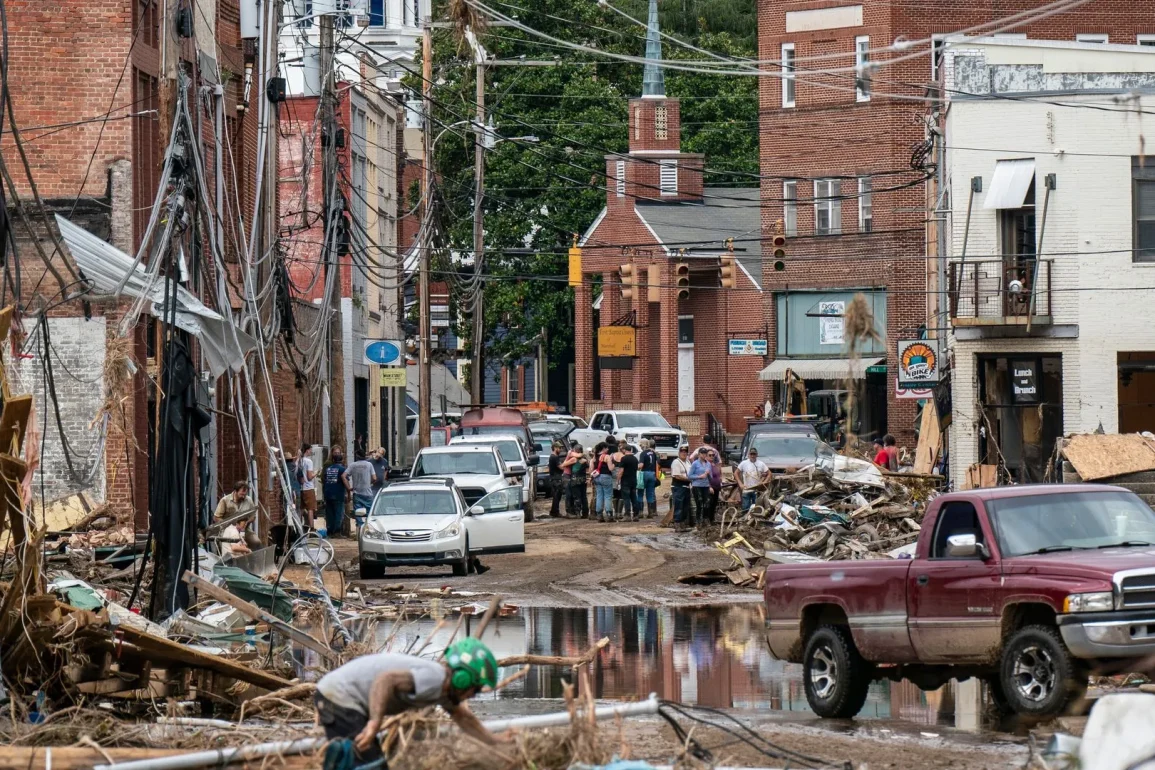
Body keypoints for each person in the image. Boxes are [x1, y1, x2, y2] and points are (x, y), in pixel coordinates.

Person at [315, 639, 506, 766]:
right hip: (340, 697)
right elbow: (385, 680)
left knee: (360, 759)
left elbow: (463, 718)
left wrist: (495, 741)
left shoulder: (444, 690)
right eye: (476, 689)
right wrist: (375, 723)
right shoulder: (436, 677)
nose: (473, 696)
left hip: (341, 698)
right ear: (462, 679)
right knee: (369, 763)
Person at [323, 448, 352, 537]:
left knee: (330, 514)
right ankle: (337, 532)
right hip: (338, 494)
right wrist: (349, 491)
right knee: (338, 513)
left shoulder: (328, 469)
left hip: (328, 494)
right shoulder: (342, 469)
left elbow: (324, 480)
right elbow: (345, 481)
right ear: (342, 460)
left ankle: (330, 531)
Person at [347, 452, 378, 529]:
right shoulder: (369, 465)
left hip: (357, 493)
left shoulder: (353, 465)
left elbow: (343, 476)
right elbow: (374, 478)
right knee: (370, 513)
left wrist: (348, 487)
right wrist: (369, 483)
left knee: (358, 513)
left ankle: (359, 529)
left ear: (356, 456)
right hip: (367, 493)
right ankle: (369, 528)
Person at [563, 443, 589, 519]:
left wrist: (568, 457)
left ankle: (577, 513)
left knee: (577, 497)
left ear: (576, 450)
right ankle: (585, 513)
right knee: (584, 496)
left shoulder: (574, 459)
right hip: (583, 479)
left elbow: (564, 464)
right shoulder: (585, 459)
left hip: (575, 479)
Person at [669, 446, 691, 531]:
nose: (684, 453)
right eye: (682, 451)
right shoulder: (676, 462)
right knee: (679, 505)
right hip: (678, 487)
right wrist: (689, 479)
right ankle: (677, 524)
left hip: (687, 487)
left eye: (685, 452)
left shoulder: (688, 462)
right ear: (679, 453)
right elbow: (677, 476)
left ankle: (683, 524)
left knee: (685, 506)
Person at [617, 444, 641, 522]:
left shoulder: (624, 459)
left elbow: (621, 471)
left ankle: (627, 515)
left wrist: (618, 479)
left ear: (624, 450)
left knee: (626, 498)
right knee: (634, 498)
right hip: (633, 480)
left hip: (625, 481)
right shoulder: (635, 459)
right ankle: (636, 515)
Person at [689, 448, 712, 528]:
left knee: (707, 503)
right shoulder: (695, 464)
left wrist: (708, 475)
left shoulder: (708, 464)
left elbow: (711, 477)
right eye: (702, 453)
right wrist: (699, 476)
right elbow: (690, 476)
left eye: (705, 453)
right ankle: (698, 521)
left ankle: (705, 519)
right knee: (699, 503)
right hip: (697, 485)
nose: (704, 455)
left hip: (705, 485)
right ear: (699, 454)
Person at [592, 441, 614, 523]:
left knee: (599, 496)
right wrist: (614, 463)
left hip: (597, 477)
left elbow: (591, 468)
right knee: (608, 496)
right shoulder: (607, 456)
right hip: (606, 477)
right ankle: (609, 515)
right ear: (604, 448)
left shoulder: (595, 457)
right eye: (607, 448)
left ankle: (599, 515)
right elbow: (611, 468)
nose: (608, 449)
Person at [299, 443, 318, 530]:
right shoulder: (309, 461)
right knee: (311, 508)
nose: (311, 451)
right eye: (310, 450)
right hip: (309, 487)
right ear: (307, 450)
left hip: (302, 488)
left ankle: (298, 525)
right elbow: (309, 477)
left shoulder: (300, 461)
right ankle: (312, 527)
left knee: (302, 508)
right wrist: (316, 473)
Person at [638, 440, 658, 519]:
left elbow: (641, 465)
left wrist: (636, 467)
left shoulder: (643, 453)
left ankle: (640, 512)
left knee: (640, 493)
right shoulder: (653, 453)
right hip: (652, 474)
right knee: (650, 493)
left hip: (644, 474)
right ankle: (651, 513)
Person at [547, 442, 566, 517]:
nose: (560, 449)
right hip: (556, 479)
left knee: (557, 496)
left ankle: (554, 511)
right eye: (559, 448)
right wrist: (566, 463)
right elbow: (561, 467)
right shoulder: (554, 457)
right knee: (556, 496)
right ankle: (555, 512)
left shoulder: (554, 457)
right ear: (555, 448)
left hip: (555, 478)